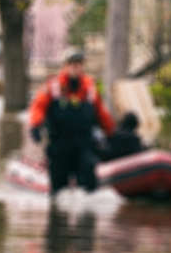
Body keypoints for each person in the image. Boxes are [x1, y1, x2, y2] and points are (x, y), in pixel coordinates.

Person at [29, 49, 115, 195]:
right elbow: (38, 107)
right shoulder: (53, 87)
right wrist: (36, 125)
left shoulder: (89, 88)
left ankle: (87, 213)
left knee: (89, 179)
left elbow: (101, 114)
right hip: (60, 144)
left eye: (79, 64)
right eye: (72, 64)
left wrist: (112, 133)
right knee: (58, 187)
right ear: (65, 66)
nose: (76, 67)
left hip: (84, 144)